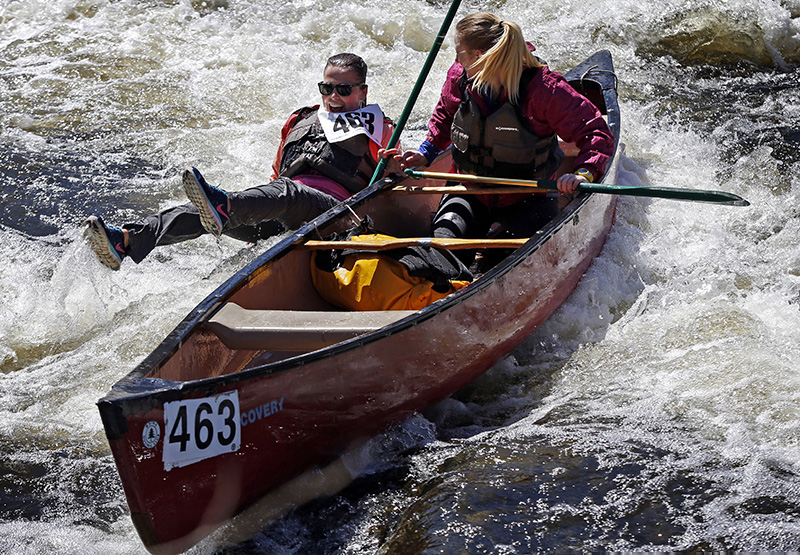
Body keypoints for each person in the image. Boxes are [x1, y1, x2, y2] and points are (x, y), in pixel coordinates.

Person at [84, 53, 401, 270]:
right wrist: (258, 210)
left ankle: (225, 207)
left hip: (335, 215)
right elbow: (277, 175)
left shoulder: (382, 129)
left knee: (284, 195)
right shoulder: (299, 119)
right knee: (205, 211)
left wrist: (394, 170)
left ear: (363, 91)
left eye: (343, 89)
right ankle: (127, 240)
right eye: (327, 88)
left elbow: (393, 188)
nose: (333, 96)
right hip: (285, 206)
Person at [389, 12, 615, 256]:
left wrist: (583, 174)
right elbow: (445, 116)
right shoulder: (460, 76)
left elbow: (595, 132)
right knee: (443, 248)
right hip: (469, 191)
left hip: (528, 196)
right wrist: (426, 153)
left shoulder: (543, 88)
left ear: (479, 56)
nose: (456, 59)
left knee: (507, 256)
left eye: (459, 52)